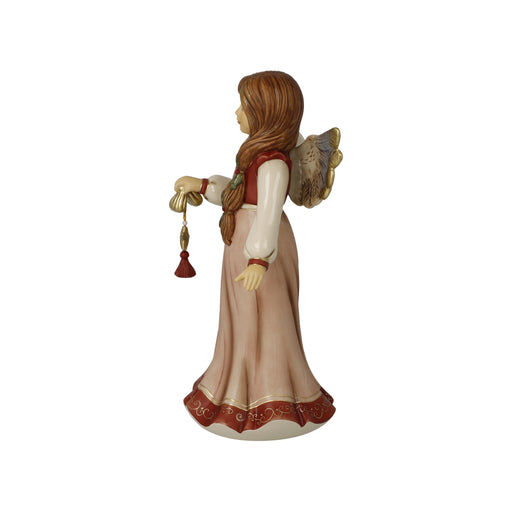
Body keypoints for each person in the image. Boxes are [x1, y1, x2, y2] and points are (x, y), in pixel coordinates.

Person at [174, 71, 336, 440]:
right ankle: (237, 384)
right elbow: (236, 193)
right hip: (242, 245)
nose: (236, 113)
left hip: (260, 250)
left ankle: (271, 394)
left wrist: (260, 260)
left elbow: (268, 212)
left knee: (266, 319)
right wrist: (201, 185)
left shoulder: (273, 163)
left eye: (244, 107)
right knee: (242, 320)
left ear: (265, 113)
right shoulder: (253, 155)